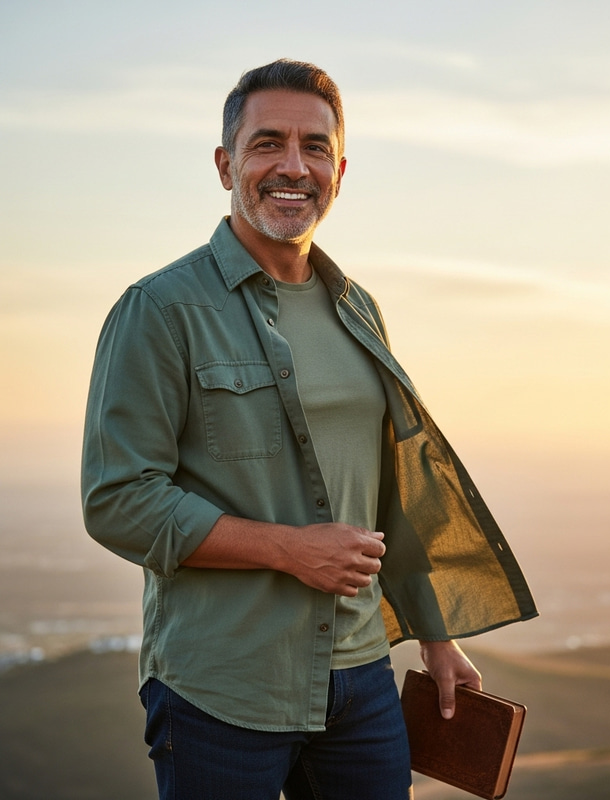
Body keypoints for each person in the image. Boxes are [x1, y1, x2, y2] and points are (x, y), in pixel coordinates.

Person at [82, 58, 537, 800]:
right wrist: (289, 551)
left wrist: (436, 636)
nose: (293, 166)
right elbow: (118, 499)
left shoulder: (358, 309)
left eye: (314, 147)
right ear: (226, 164)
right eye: (268, 144)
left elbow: (389, 486)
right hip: (220, 688)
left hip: (360, 680)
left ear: (340, 170)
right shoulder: (158, 310)